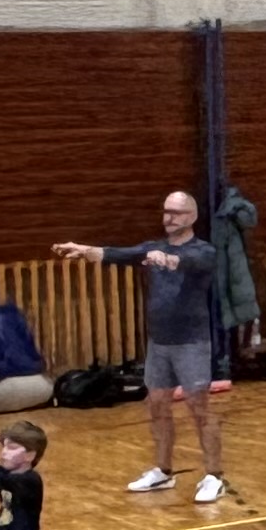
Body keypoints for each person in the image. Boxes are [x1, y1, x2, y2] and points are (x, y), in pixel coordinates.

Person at [59, 192, 229, 503]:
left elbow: (189, 262)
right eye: (166, 211)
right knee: (157, 405)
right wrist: (84, 250)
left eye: (177, 212)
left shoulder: (203, 250)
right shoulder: (153, 247)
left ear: (192, 216)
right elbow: (117, 254)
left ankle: (214, 476)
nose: (170, 218)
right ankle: (163, 471)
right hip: (158, 343)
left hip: (191, 343)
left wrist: (169, 260)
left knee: (199, 409)